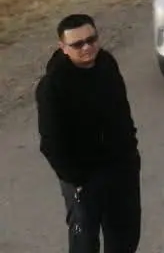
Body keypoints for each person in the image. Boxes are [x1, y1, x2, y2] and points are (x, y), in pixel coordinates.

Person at [36, 14, 142, 253]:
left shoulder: (107, 64)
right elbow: (50, 143)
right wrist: (76, 179)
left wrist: (130, 151)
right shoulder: (52, 87)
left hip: (121, 168)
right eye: (77, 44)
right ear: (63, 47)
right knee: (84, 243)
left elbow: (122, 111)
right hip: (83, 179)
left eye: (91, 39)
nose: (87, 47)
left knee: (126, 236)